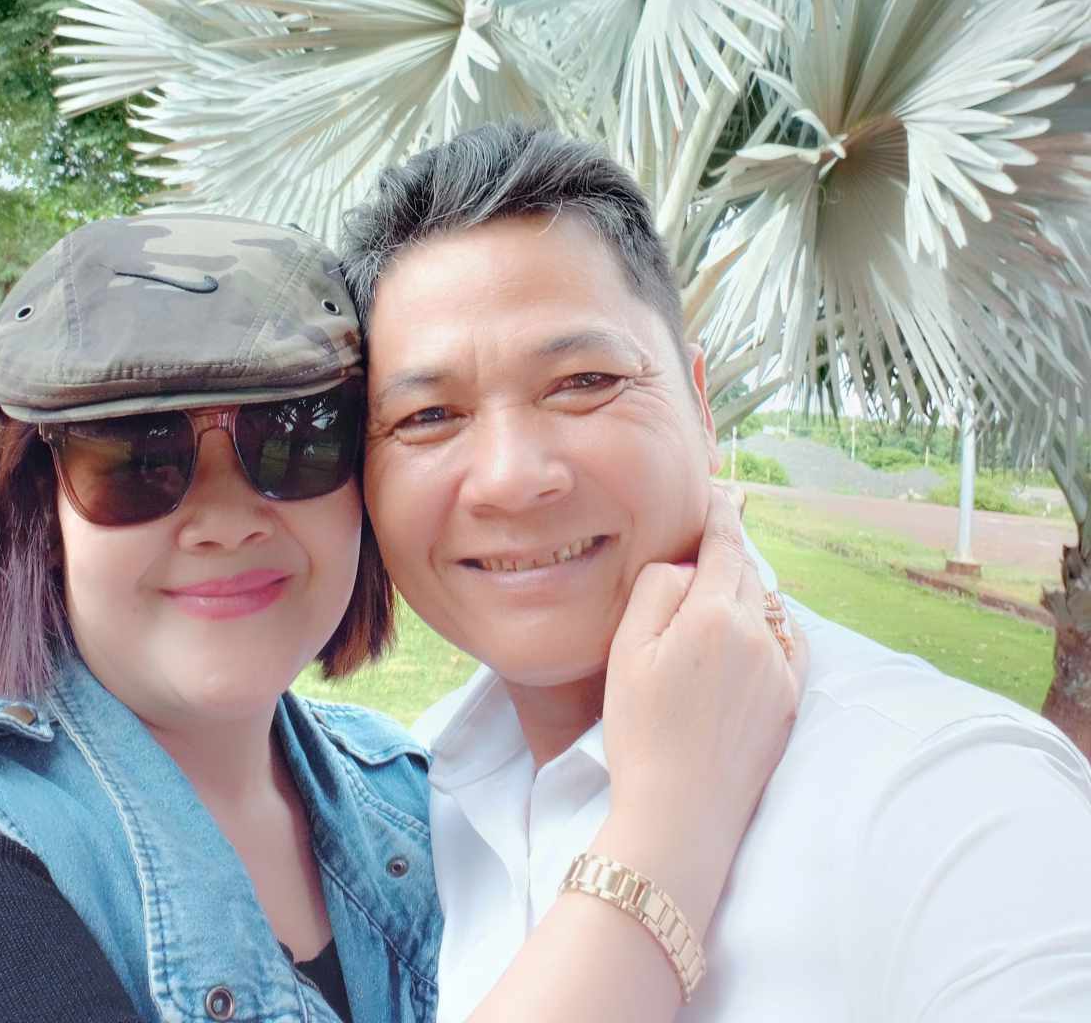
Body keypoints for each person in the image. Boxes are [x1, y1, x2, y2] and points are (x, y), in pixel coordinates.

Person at [0, 211, 800, 1023]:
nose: (227, 522)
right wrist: (670, 831)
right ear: (40, 504)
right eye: (138, 459)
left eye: (295, 441)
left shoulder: (416, 794)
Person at [344, 120, 1091, 1023]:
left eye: (583, 382)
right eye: (427, 417)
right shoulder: (400, 812)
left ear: (701, 407)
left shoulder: (958, 802)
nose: (510, 477)